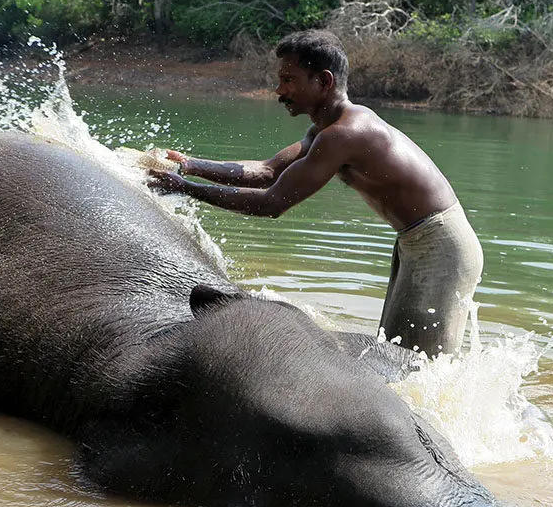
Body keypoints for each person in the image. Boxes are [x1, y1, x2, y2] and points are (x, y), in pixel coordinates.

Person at [146, 29, 483, 358]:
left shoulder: (345, 134)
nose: (279, 90)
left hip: (441, 246)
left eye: (289, 80)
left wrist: (186, 190)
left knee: (418, 365)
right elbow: (266, 171)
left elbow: (272, 204)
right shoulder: (323, 130)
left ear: (323, 82)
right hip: (417, 241)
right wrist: (188, 165)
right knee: (394, 354)